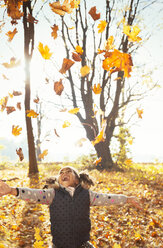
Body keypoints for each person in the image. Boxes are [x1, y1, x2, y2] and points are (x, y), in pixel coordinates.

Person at [0, 166, 142, 248]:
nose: (64, 174)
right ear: (58, 181)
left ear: (77, 179)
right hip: (59, 245)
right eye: (61, 173)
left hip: (82, 244)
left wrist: (127, 199)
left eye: (68, 172)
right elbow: (33, 194)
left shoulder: (87, 195)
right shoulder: (52, 194)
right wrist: (12, 190)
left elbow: (107, 198)